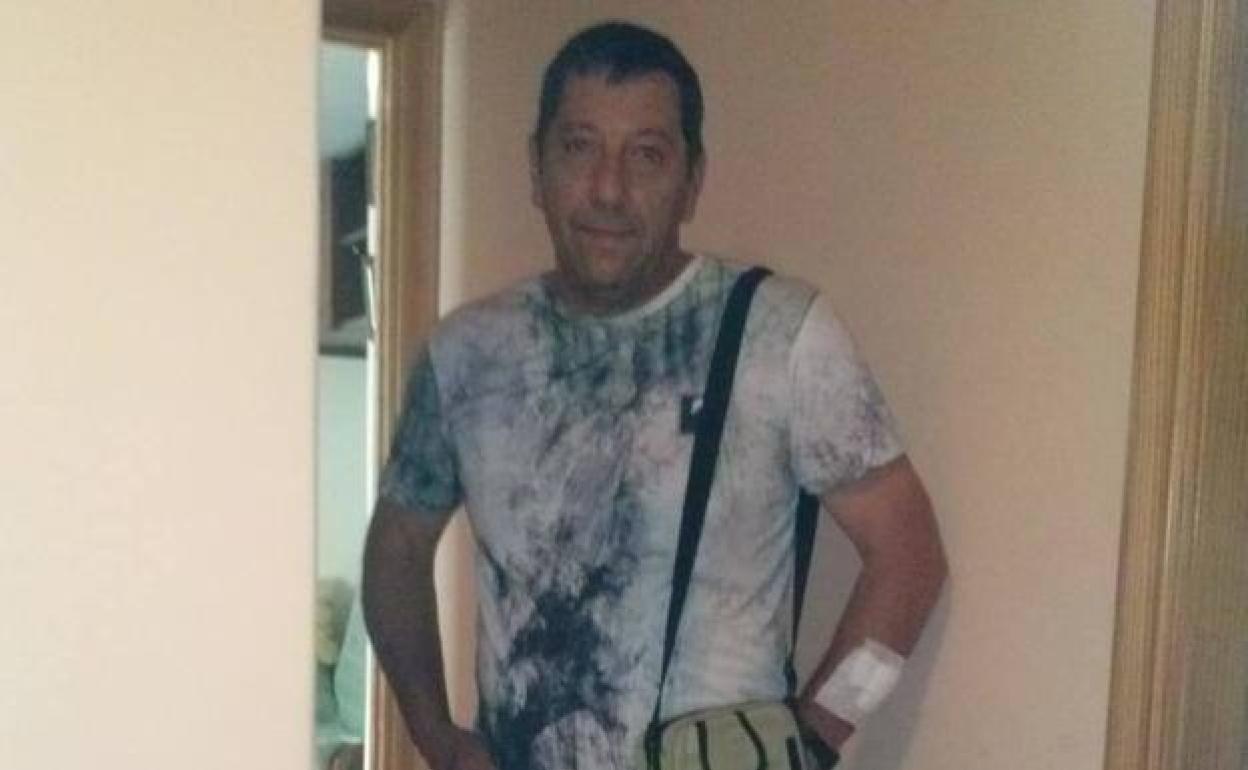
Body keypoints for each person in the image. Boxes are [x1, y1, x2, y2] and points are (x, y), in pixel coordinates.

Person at [362, 21, 947, 770]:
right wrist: (435, 735)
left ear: (692, 179)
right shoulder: (466, 355)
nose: (608, 190)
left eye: (647, 155)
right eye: (579, 147)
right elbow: (397, 548)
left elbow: (910, 557)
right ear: (535, 168)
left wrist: (811, 742)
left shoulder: (778, 335)